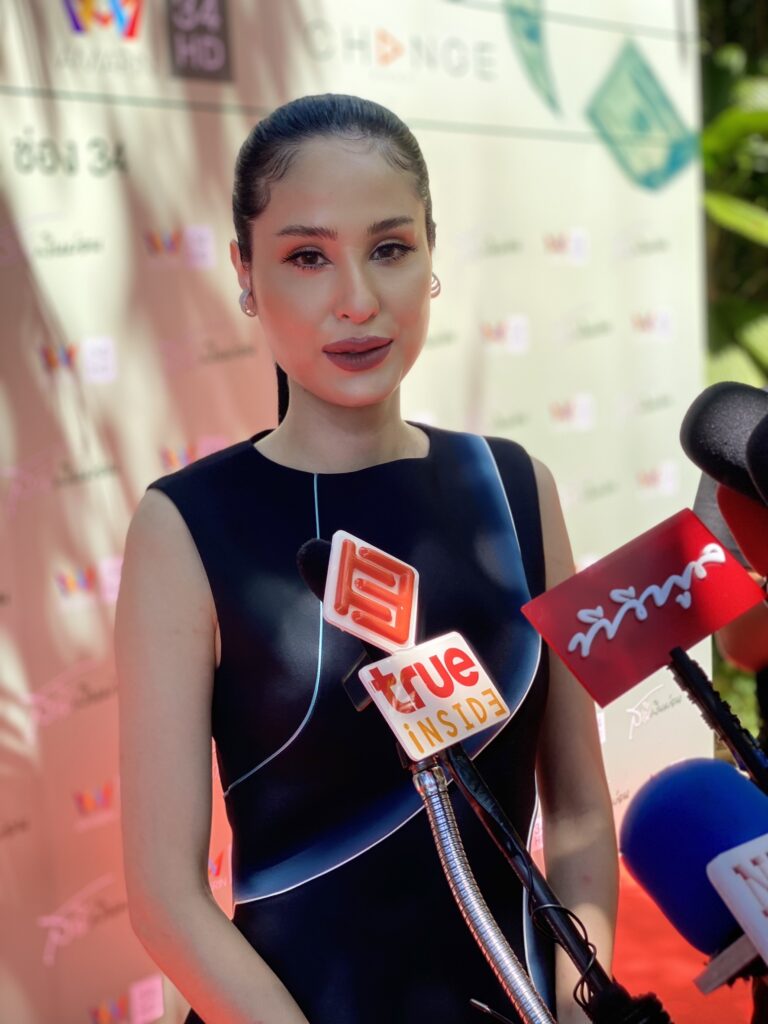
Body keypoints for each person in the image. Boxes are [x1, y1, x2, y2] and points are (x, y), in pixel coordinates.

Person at [115, 94, 618, 1024]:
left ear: (431, 256)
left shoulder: (516, 487)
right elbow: (164, 897)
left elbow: (582, 808)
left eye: (390, 248)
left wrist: (581, 1004)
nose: (357, 299)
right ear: (246, 273)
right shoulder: (185, 525)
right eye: (307, 257)